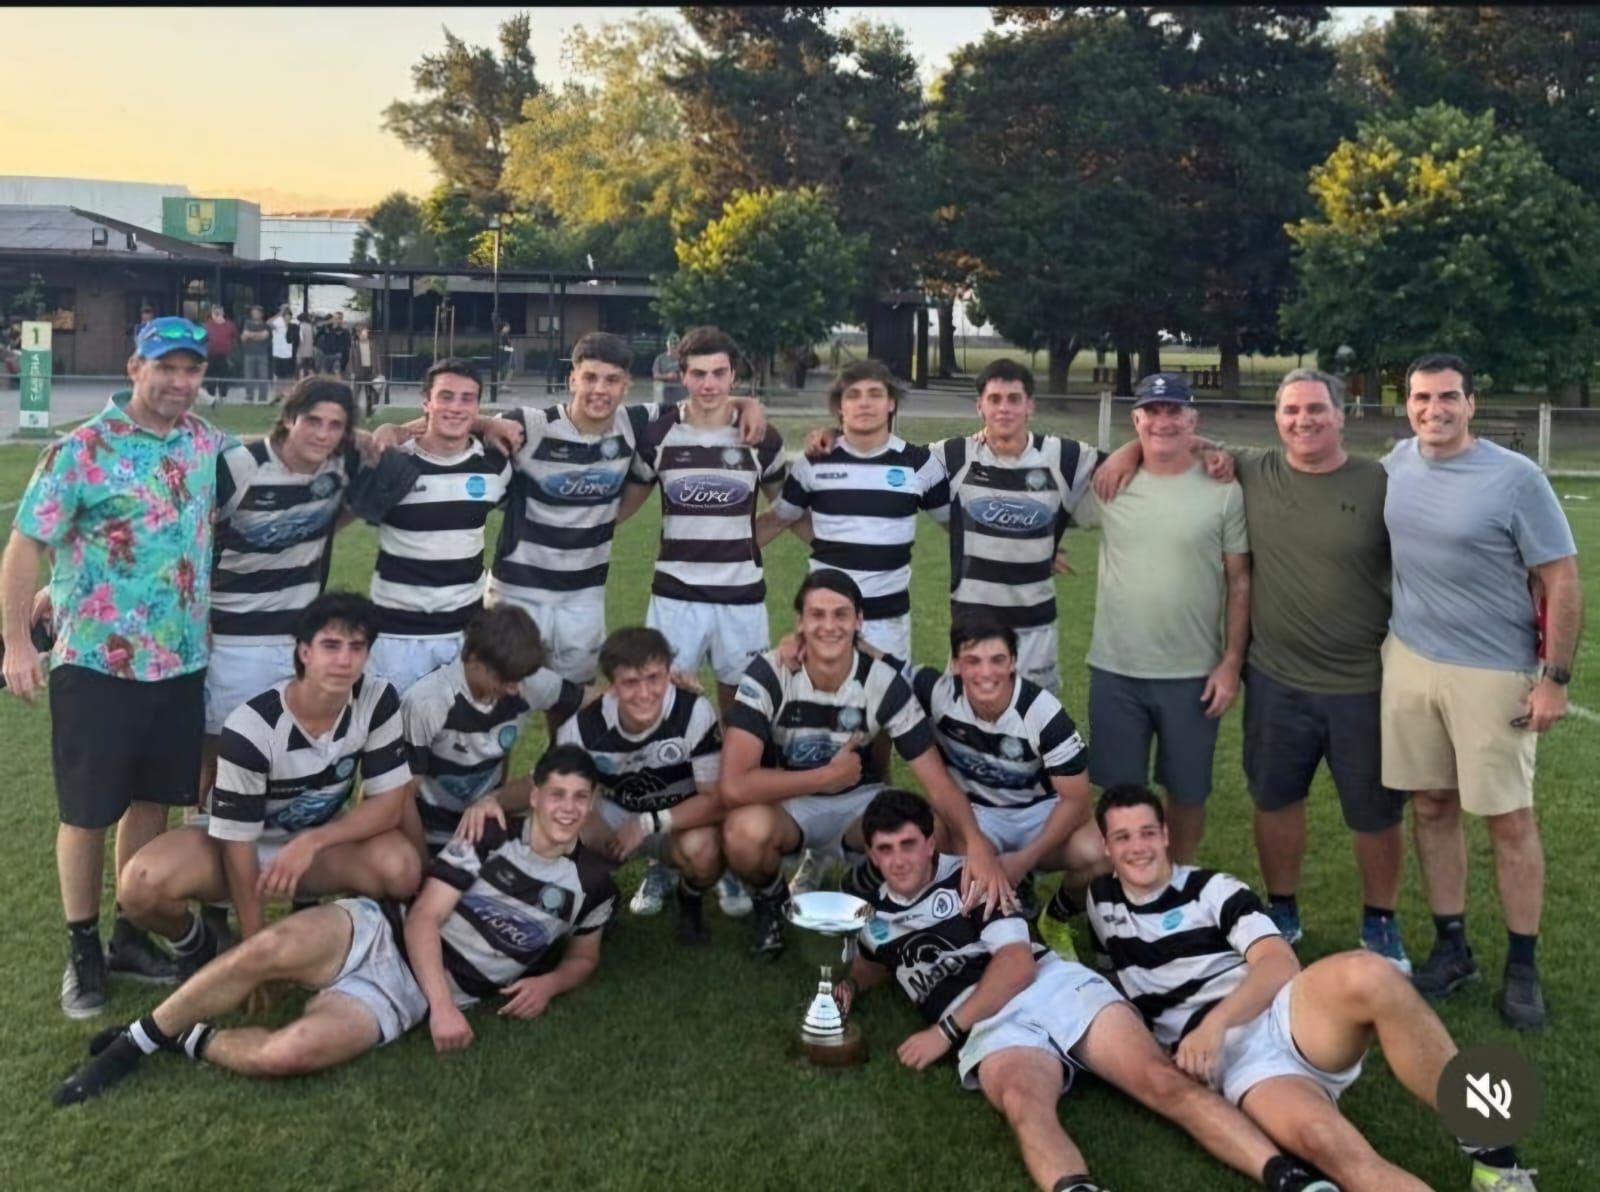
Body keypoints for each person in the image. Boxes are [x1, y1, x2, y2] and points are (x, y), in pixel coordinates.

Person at [53, 744, 615, 1107]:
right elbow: (424, 918)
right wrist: (446, 1009)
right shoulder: (490, 834)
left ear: (591, 804)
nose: (567, 808)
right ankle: (133, 1044)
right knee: (266, 949)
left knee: (288, 1055)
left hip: (404, 993)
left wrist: (550, 982)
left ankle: (190, 1038)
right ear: (534, 796)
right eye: (556, 794)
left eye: (580, 798)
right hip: (380, 931)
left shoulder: (593, 885)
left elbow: (585, 956)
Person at [838, 789, 1339, 1192]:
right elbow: (875, 962)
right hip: (994, 1029)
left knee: (1160, 1080)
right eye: (885, 850)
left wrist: (944, 1032)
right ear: (873, 855)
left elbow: (1016, 967)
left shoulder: (972, 877)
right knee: (1024, 1105)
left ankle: (1290, 1179)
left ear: (931, 844)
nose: (899, 861)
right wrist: (847, 985)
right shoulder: (872, 917)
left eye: (908, 845)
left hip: (1047, 986)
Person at [1090, 368, 1410, 969]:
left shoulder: (1377, 482)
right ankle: (1280, 908)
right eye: (1292, 410)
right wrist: (1130, 449)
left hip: (1361, 679)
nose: (1303, 420)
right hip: (1274, 679)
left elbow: (1427, 548)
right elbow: (1176, 443)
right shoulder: (1251, 471)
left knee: (1374, 809)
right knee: (1275, 798)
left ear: (1341, 415)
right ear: (1278, 419)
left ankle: (1381, 921)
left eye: (1316, 409)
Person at [1086, 783, 1541, 1192]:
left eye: (1147, 833)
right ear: (1105, 847)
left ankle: (1496, 1155)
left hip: (1284, 1014)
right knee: (1329, 1146)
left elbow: (1279, 963)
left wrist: (1214, 1025)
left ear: (1166, 835)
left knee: (1369, 972)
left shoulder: (1212, 889)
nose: (1138, 847)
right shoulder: (1099, 901)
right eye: (1122, 837)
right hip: (1249, 1071)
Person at [2, 316, 230, 1015]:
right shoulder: (80, 450)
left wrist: (397, 434)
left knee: (151, 801)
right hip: (98, 664)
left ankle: (131, 936)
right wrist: (16, 643)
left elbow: (288, 452)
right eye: (167, 368)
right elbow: (25, 546)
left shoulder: (204, 442)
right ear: (135, 368)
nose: (180, 383)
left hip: (181, 664)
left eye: (192, 370)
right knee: (87, 812)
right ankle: (83, 950)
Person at [1383, 353, 1581, 1030]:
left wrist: (1555, 679)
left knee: (1509, 820)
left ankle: (1522, 965)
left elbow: (1562, 579)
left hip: (1494, 671)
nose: (1433, 409)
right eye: (1421, 398)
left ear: (1472, 403)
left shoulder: (1515, 478)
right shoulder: (1397, 464)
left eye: (1447, 397)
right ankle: (1453, 947)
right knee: (1432, 805)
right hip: (1409, 661)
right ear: (1407, 404)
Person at [115, 593, 420, 969]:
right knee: (140, 885)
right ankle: (199, 946)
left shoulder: (377, 698)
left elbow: (389, 804)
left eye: (357, 648)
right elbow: (238, 844)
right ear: (304, 652)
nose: (344, 660)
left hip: (317, 847)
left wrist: (312, 841)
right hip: (235, 845)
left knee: (401, 867)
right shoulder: (252, 727)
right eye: (331, 646)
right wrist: (255, 947)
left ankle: (353, 938)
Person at [720, 570, 1011, 957]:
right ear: (800, 622)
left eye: (840, 614)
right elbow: (734, 785)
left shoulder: (884, 682)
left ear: (859, 621)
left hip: (860, 807)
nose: (829, 625)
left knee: (931, 830)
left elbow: (937, 782)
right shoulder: (768, 674)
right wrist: (826, 776)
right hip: (791, 806)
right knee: (742, 832)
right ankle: (772, 902)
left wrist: (975, 842)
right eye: (817, 614)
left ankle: (862, 888)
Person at [483, 332, 767, 704]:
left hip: (583, 597)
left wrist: (750, 404)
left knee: (571, 705)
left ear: (627, 386)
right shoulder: (530, 424)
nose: (600, 390)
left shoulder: (636, 423)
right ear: (572, 379)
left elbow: (705, 399)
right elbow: (451, 425)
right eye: (590, 377)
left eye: (612, 380)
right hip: (516, 594)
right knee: (499, 703)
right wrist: (479, 424)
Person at [1070, 372, 1249, 865]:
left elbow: (1240, 581)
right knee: (1119, 792)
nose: (1163, 421)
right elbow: (1047, 513)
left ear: (1193, 419)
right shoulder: (1111, 483)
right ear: (1136, 419)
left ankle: (1180, 879)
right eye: (1152, 411)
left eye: (1175, 411)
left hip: (1193, 673)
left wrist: (1231, 662)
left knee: (1187, 791)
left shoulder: (1224, 488)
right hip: (1116, 668)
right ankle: (1119, 884)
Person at [467, 627, 729, 943]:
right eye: (630, 682)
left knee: (705, 848)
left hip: (673, 820)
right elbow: (544, 783)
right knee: (561, 824)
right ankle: (598, 900)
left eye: (654, 679)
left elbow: (715, 799)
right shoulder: (584, 726)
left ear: (668, 674)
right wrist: (491, 800)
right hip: (614, 817)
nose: (645, 693)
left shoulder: (694, 711)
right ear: (612, 686)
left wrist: (648, 823)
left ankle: (690, 898)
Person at [203, 377, 365, 796]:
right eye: (313, 421)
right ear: (289, 417)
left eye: (335, 425)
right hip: (232, 644)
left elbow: (410, 435)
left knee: (284, 766)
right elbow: (188, 542)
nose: (323, 434)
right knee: (219, 767)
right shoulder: (238, 466)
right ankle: (205, 835)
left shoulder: (341, 465)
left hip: (299, 645)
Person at [908, 615, 1103, 928]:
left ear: (1013, 662)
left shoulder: (1043, 713)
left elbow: (1078, 800)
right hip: (979, 815)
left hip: (1039, 814)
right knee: (963, 874)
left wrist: (1023, 861)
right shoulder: (939, 693)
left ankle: (1054, 919)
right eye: (973, 661)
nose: (986, 673)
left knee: (1099, 853)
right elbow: (882, 669)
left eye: (997, 660)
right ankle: (958, 915)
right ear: (955, 664)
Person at [632, 326, 787, 713]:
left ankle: (730, 757)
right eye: (699, 374)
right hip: (674, 598)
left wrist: (743, 539)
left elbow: (788, 508)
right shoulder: (657, 436)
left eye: (719, 373)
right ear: (682, 375)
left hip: (742, 598)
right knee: (664, 706)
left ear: (733, 375)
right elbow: (620, 509)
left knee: (743, 711)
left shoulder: (763, 438)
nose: (709, 384)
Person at [929, 358, 1103, 694]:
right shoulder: (953, 456)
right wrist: (833, 435)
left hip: (1034, 630)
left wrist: (1195, 448)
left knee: (1033, 720)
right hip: (972, 627)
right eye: (994, 399)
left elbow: (1137, 462)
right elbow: (888, 457)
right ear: (980, 406)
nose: (1004, 408)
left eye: (1014, 399)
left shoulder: (1066, 457)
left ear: (1030, 406)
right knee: (967, 721)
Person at [763, 359, 949, 664]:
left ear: (891, 403)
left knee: (887, 695)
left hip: (887, 621)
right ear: (840, 406)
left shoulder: (919, 464)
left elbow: (960, 529)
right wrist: (715, 554)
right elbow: (778, 519)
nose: (864, 403)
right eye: (853, 395)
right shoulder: (813, 464)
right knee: (824, 695)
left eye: (875, 394)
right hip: (827, 620)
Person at [368, 358, 512, 695]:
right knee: (392, 727)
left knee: (458, 729)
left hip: (463, 636)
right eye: (445, 396)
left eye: (467, 399)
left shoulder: (496, 465)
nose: (456, 407)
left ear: (478, 406)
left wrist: (489, 424)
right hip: (395, 636)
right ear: (426, 402)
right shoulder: (392, 462)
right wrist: (393, 429)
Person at [400, 603, 583, 854]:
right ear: (474, 659)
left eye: (518, 680)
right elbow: (402, 795)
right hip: (428, 833)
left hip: (489, 824)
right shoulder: (427, 702)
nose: (514, 689)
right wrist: (421, 861)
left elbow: (595, 701)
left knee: (567, 845)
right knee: (402, 869)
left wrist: (558, 758)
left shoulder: (522, 678)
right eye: (504, 679)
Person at [202, 304, 238, 405]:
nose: (217, 312)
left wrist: (232, 353)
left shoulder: (230, 325)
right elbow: (202, 340)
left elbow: (235, 339)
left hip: (225, 356)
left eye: (219, 310)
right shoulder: (206, 325)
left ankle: (223, 398)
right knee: (211, 379)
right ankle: (211, 399)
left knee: (224, 378)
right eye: (215, 310)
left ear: (223, 312)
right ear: (212, 312)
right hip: (210, 356)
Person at [239, 305, 272, 405]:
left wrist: (251, 335)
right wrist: (257, 335)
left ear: (261, 314)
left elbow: (264, 336)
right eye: (253, 312)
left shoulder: (266, 325)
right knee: (248, 376)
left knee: (263, 376)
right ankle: (249, 397)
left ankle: (262, 398)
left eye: (257, 312)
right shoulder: (247, 323)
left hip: (262, 354)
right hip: (249, 353)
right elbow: (244, 337)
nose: (255, 314)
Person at [268, 304, 297, 401]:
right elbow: (268, 322)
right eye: (285, 316)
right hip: (277, 354)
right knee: (278, 375)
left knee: (288, 376)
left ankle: (288, 395)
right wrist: (280, 313)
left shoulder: (294, 327)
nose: (287, 319)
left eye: (289, 316)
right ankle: (278, 394)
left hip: (289, 355)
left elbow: (298, 341)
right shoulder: (278, 325)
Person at [352, 324, 379, 415]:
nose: (366, 334)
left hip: (370, 370)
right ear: (359, 334)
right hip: (359, 371)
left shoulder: (372, 344)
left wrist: (377, 371)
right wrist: (352, 372)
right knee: (356, 392)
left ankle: (369, 410)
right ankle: (354, 411)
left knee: (370, 392)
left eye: (367, 332)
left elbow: (376, 358)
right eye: (364, 332)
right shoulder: (354, 345)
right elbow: (351, 359)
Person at [652, 333, 683, 402]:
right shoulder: (660, 359)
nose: (673, 346)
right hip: (664, 389)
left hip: (680, 389)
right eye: (671, 344)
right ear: (667, 345)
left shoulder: (683, 358)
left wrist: (681, 375)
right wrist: (667, 376)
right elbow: (655, 375)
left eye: (676, 344)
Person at [295, 311, 317, 379]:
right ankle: (307, 377)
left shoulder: (300, 327)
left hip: (302, 349)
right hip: (309, 349)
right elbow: (314, 335)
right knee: (307, 366)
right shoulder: (311, 326)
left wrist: (298, 349)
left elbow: (300, 339)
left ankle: (297, 379)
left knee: (299, 366)